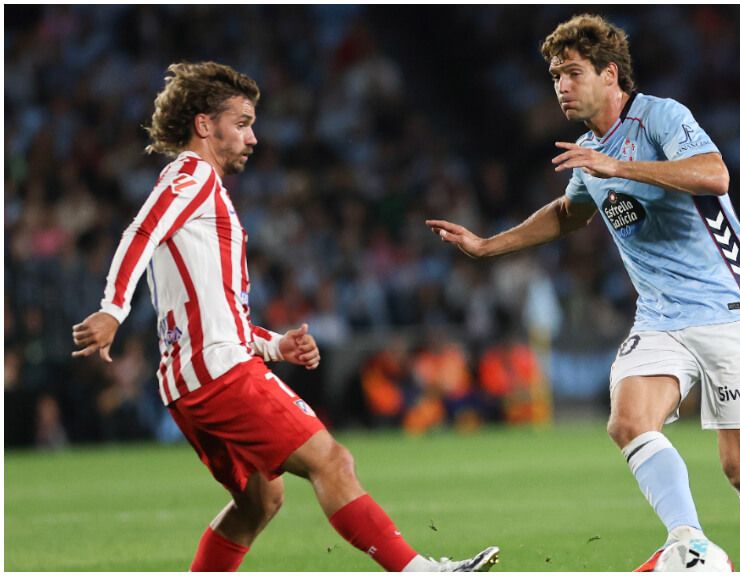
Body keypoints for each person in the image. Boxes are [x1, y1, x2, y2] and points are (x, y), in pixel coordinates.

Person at [72, 61, 499, 573]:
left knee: (260, 501)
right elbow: (139, 232)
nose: (253, 138)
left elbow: (214, 311)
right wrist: (112, 310)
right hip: (219, 373)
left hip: (191, 381)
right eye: (242, 123)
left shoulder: (200, 190)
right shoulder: (192, 175)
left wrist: (275, 346)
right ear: (205, 125)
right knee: (332, 460)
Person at [427, 14, 740, 572]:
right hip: (661, 317)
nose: (561, 86)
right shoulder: (589, 150)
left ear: (610, 74)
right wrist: (486, 246)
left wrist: (617, 165)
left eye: (573, 72)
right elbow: (570, 212)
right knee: (627, 422)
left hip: (728, 305)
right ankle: (689, 541)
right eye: (555, 76)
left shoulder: (660, 117)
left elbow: (714, 174)